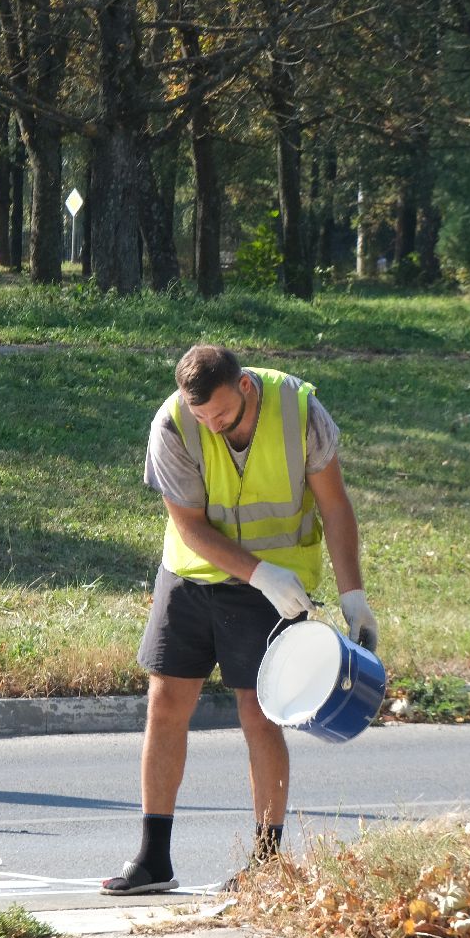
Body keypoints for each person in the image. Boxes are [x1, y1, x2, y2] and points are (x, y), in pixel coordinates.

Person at [101, 344, 378, 895]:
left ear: (245, 387)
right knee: (165, 703)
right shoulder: (174, 423)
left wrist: (353, 595)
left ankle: (268, 865)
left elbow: (335, 505)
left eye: (221, 415)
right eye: (202, 416)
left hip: (278, 590)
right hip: (192, 578)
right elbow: (191, 528)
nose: (212, 425)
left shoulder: (301, 411)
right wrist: (258, 574)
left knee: (260, 713)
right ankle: (154, 859)